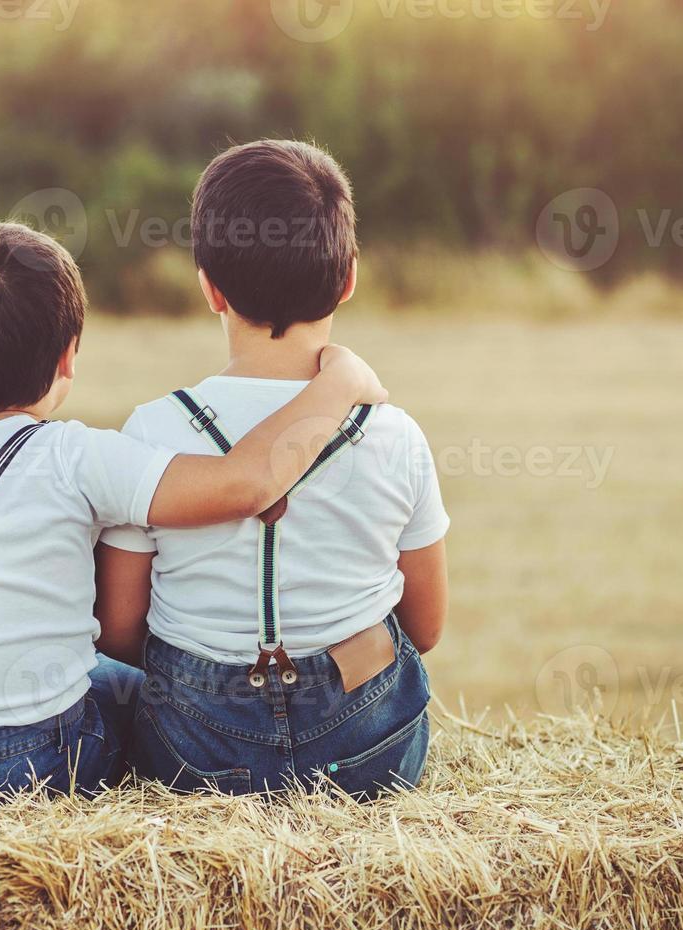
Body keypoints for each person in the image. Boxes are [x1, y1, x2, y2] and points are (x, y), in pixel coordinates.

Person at [0, 219, 390, 799]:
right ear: (68, 356)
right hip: (37, 766)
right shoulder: (82, 457)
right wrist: (338, 383)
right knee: (125, 687)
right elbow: (247, 482)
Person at [95, 141, 449, 798]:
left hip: (194, 755)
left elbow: (119, 631)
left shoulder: (152, 430)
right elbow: (425, 628)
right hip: (371, 753)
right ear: (348, 279)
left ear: (209, 286)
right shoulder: (397, 435)